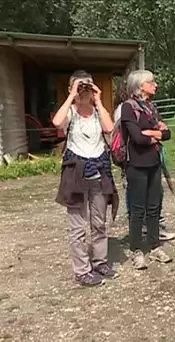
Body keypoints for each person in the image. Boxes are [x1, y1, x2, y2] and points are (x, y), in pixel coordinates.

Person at [53, 70, 118, 286]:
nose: (84, 90)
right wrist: (72, 96)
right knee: (78, 226)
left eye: (87, 86)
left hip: (98, 171)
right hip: (76, 172)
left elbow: (109, 128)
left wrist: (98, 101)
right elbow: (56, 122)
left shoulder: (98, 111)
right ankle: (81, 271)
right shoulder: (70, 111)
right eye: (81, 86)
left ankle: (100, 262)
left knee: (99, 222)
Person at [121, 70, 173, 269]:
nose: (155, 85)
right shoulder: (128, 107)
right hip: (136, 164)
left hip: (154, 163)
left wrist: (152, 133)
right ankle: (136, 250)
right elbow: (137, 138)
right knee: (137, 209)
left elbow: (167, 135)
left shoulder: (152, 107)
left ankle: (154, 246)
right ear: (140, 85)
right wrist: (156, 134)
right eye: (151, 82)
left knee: (154, 207)